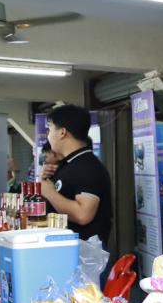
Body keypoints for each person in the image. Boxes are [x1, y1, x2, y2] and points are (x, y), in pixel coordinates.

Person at [40, 105, 113, 244]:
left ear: (62, 132)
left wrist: (49, 192)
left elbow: (83, 215)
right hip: (65, 250)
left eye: (50, 129)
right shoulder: (68, 163)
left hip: (84, 257)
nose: (48, 136)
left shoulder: (87, 166)